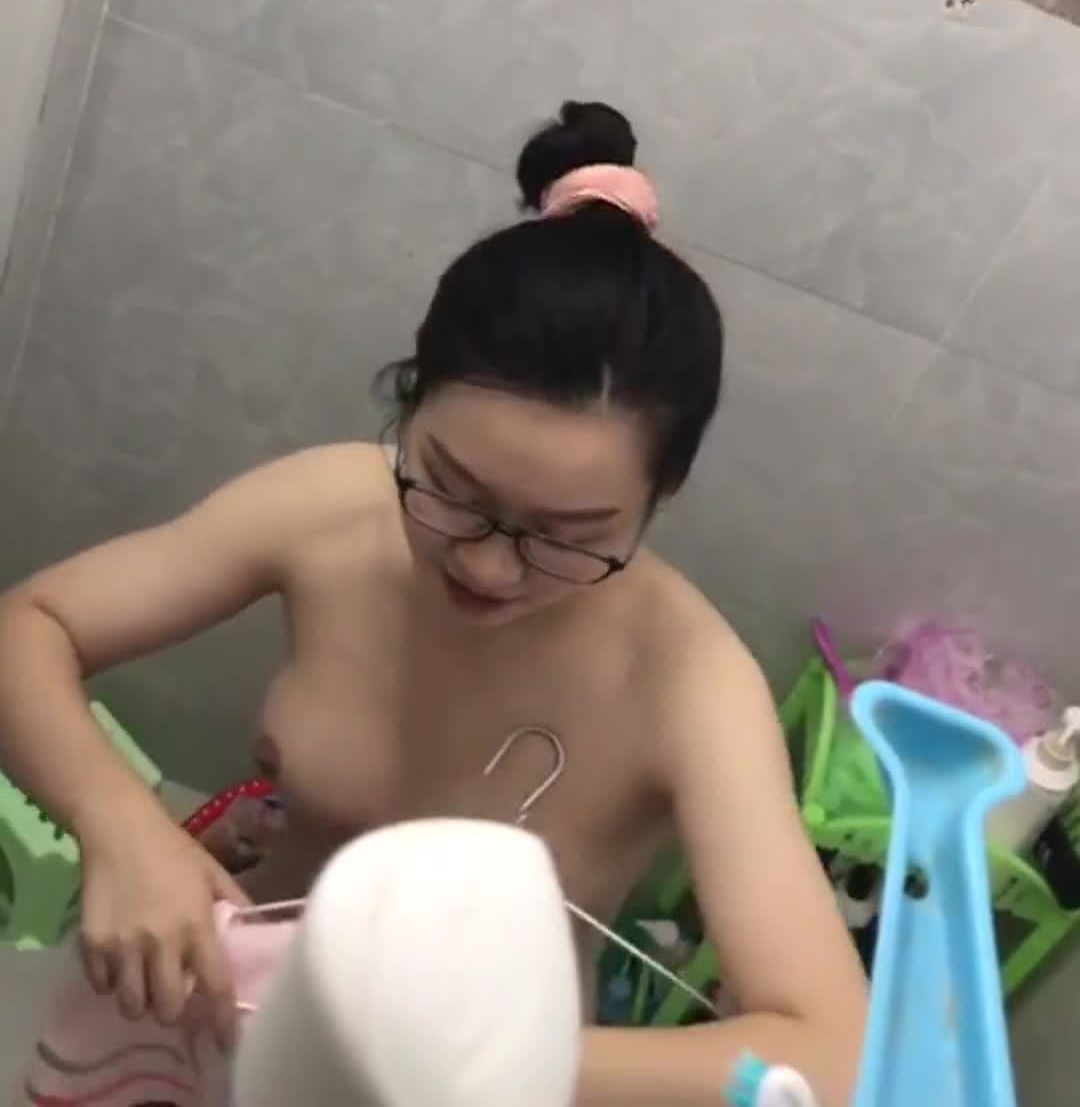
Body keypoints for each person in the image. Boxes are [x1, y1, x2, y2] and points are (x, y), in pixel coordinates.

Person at [0, 102, 866, 1105]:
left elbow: (834, 1057)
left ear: (657, 500)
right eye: (452, 490)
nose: (489, 569)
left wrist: (467, 1065)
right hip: (229, 1020)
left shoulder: (689, 682)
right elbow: (28, 627)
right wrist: (120, 823)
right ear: (409, 405)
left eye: (567, 534)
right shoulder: (329, 509)